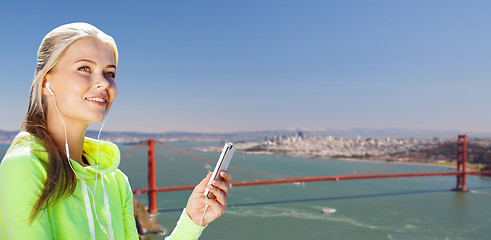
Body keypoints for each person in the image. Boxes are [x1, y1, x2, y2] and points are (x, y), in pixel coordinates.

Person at [0, 22, 231, 240]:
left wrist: (192, 220)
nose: (103, 83)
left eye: (109, 73)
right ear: (46, 82)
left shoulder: (115, 181)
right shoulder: (25, 166)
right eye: (84, 68)